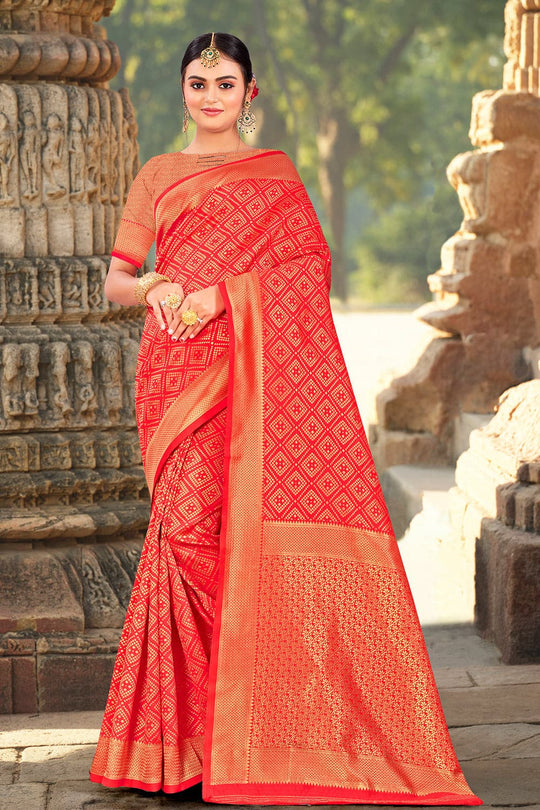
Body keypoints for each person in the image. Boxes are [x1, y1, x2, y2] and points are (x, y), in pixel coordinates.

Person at [89, 32, 481, 806]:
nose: (210, 95)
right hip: (175, 375)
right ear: (183, 90)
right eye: (198, 82)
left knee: (231, 536)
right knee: (190, 534)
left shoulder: (276, 177)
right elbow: (116, 281)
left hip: (248, 363)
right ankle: (187, 742)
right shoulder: (158, 175)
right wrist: (162, 286)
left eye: (225, 83)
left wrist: (221, 297)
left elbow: (305, 268)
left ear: (249, 93)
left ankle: (241, 734)